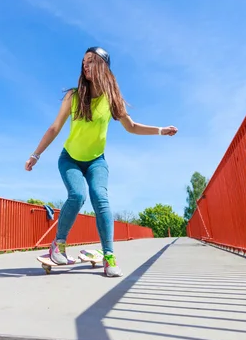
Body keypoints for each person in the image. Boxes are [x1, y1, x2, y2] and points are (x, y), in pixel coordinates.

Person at [25, 46, 178, 277]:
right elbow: (54, 127)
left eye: (91, 61)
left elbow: (132, 127)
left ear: (103, 66)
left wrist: (160, 131)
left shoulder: (111, 99)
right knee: (77, 195)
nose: (86, 65)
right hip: (70, 160)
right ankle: (59, 244)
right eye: (84, 62)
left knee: (100, 196)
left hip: (97, 161)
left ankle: (109, 256)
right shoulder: (73, 96)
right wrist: (35, 155)